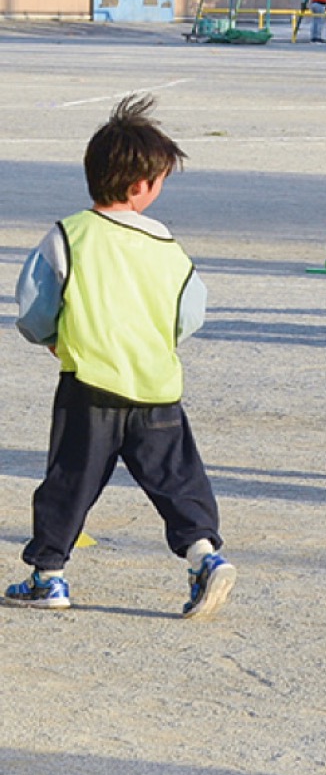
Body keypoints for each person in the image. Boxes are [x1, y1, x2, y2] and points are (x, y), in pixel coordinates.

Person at [5, 95, 235, 618]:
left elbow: (35, 305)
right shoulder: (169, 247)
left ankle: (49, 576)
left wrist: (52, 339)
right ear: (141, 187)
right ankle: (204, 554)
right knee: (178, 478)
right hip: (156, 387)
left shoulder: (69, 235)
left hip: (90, 386)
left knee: (71, 480)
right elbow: (189, 315)